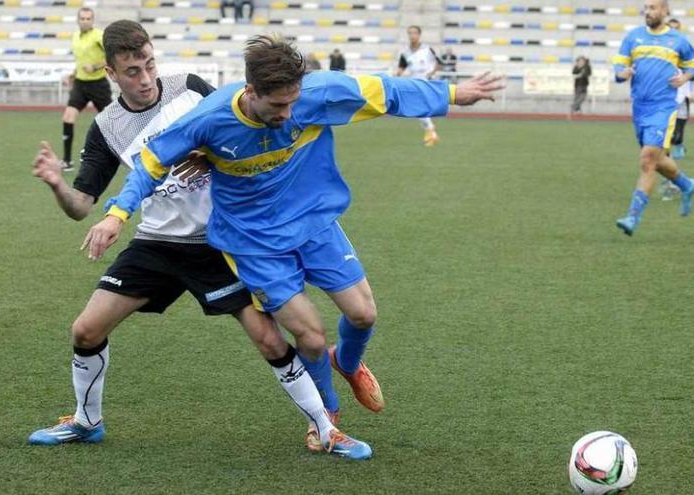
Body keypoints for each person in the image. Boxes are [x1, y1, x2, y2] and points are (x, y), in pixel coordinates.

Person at [93, 35, 503, 451]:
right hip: (253, 242)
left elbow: (388, 91)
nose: (290, 113)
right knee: (309, 336)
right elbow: (149, 163)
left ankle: (346, 362)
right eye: (278, 106)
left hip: (313, 222)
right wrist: (117, 213)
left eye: (294, 102)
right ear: (250, 92)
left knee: (363, 314)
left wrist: (453, 93)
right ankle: (326, 416)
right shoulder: (209, 118)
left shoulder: (316, 93)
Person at [28, 21, 370, 459]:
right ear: (111, 73)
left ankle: (325, 427)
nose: (146, 78)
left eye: (149, 64)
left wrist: (210, 159)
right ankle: (85, 421)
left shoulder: (190, 89)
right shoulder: (107, 127)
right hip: (155, 243)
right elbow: (81, 204)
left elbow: (241, 128)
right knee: (86, 328)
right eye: (132, 71)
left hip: (217, 240)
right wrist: (58, 184)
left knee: (271, 339)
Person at [613, 0, 694, 236]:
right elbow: (618, 71)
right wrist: (624, 73)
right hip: (640, 108)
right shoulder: (633, 37)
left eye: (653, 7)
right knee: (657, 160)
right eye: (646, 8)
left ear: (665, 11)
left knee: (647, 158)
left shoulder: (679, 41)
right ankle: (687, 185)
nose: (648, 12)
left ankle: (633, 216)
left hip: (664, 107)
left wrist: (686, 78)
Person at [659, 17, 694, 201]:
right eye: (670, 28)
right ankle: (673, 181)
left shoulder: (685, 55)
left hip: (680, 103)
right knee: (663, 143)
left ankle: (672, 183)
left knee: (674, 139)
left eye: (676, 29)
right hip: (661, 104)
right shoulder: (659, 53)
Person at [60, 7, 112, 172]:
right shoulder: (75, 37)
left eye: (88, 18)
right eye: (82, 18)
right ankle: (67, 160)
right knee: (68, 117)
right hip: (81, 84)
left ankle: (119, 154)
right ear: (78, 20)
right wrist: (73, 75)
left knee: (111, 121)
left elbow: (111, 54)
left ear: (93, 20)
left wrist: (96, 67)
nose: (85, 21)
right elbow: (81, 61)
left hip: (98, 84)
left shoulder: (98, 35)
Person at [396, 26, 442, 146]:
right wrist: (394, 77)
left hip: (426, 82)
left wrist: (431, 74)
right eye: (410, 33)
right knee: (418, 110)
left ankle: (430, 131)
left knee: (418, 108)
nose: (412, 35)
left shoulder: (427, 49)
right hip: (414, 83)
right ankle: (431, 133)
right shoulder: (405, 53)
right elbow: (401, 69)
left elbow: (439, 63)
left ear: (419, 35)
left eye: (415, 33)